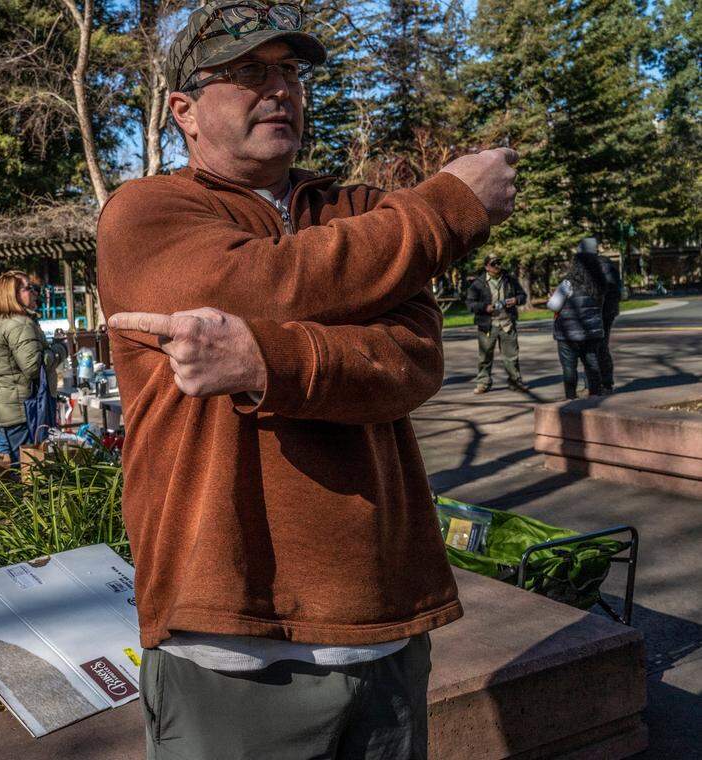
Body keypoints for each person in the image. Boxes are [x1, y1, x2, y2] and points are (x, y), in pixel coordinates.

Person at [96, 2, 517, 757]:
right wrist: (447, 207)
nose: (281, 89)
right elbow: (263, 285)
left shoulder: (355, 210)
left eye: (290, 72)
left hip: (383, 628)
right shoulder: (146, 212)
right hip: (229, 640)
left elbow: (412, 357)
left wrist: (266, 363)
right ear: (183, 111)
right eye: (250, 72)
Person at [0, 271, 66, 464]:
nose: (35, 292)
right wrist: (60, 349)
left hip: (5, 409)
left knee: (4, 465)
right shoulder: (19, 324)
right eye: (28, 288)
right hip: (24, 411)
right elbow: (33, 366)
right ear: (13, 294)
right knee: (30, 470)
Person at [547, 248, 607, 400]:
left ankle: (571, 397)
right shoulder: (599, 284)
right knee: (592, 363)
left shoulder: (567, 284)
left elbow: (554, 305)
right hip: (592, 332)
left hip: (568, 332)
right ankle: (595, 393)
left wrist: (552, 297)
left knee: (569, 366)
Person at [465, 255, 530, 394]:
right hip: (487, 325)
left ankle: (515, 382)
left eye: (499, 263)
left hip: (507, 324)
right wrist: (485, 307)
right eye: (493, 263)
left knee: (511, 356)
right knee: (485, 357)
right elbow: (470, 304)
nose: (497, 266)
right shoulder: (478, 283)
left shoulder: (510, 280)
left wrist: (516, 300)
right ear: (486, 266)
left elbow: (523, 297)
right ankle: (483, 383)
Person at [584, 238, 623, 393]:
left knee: (598, 347)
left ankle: (604, 383)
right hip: (594, 313)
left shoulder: (603, 265)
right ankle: (595, 384)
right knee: (591, 348)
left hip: (602, 313)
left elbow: (605, 291)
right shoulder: (589, 266)